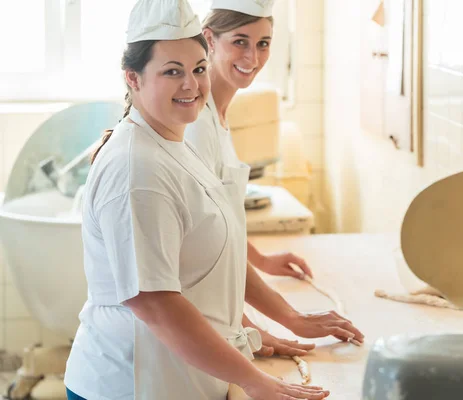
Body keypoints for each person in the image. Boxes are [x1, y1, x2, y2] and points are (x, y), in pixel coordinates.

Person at [64, 1, 332, 399]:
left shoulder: (172, 143)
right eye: (172, 71)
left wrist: (249, 336)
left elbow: (209, 255)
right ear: (132, 78)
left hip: (181, 377)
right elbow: (157, 304)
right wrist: (254, 379)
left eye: (199, 69)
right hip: (132, 383)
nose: (191, 84)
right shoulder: (137, 170)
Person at [184, 0, 364, 358]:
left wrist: (261, 260)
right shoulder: (195, 126)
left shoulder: (218, 115)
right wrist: (278, 321)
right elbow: (196, 250)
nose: (252, 56)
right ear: (209, 39)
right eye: (240, 41)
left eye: (263, 43)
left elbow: (219, 223)